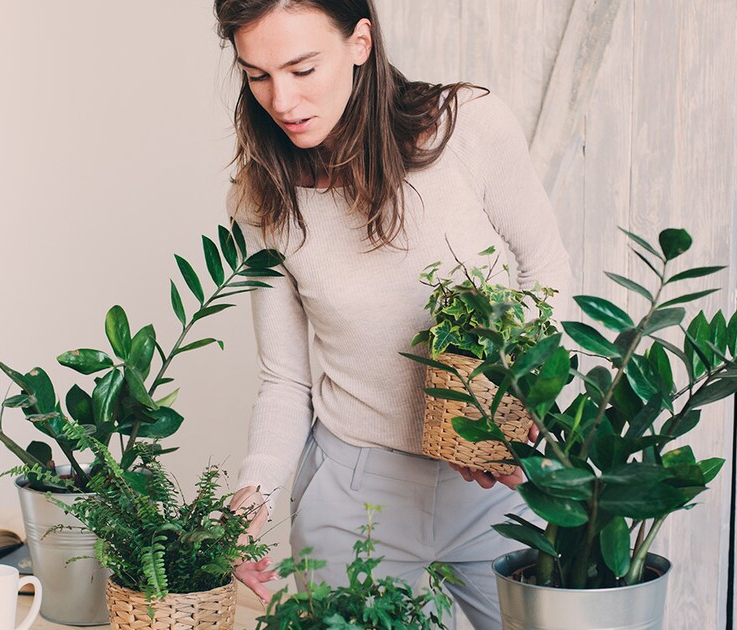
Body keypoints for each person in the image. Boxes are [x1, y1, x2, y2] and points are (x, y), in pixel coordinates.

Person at [214, 1, 570, 627]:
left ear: (360, 42)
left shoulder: (465, 127)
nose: (283, 100)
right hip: (353, 492)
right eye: (257, 74)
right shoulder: (261, 193)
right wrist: (254, 495)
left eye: (302, 68)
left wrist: (522, 414)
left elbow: (548, 274)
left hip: (495, 486)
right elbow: (286, 380)